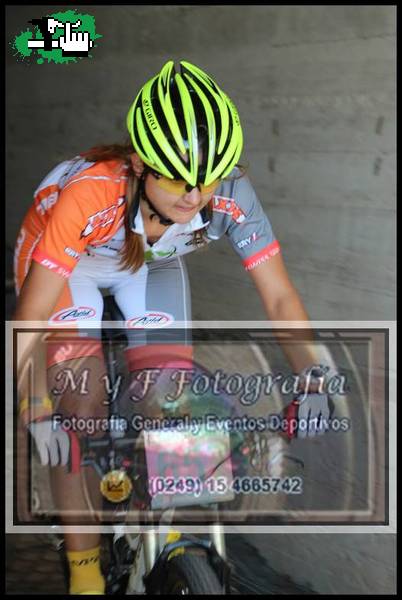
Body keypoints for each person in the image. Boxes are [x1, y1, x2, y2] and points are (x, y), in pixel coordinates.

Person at [14, 60, 334, 595]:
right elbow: (28, 318)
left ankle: (168, 523)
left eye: (208, 179)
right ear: (140, 164)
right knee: (79, 406)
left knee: (171, 396)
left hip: (150, 263)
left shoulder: (229, 193)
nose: (194, 196)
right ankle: (84, 568)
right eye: (178, 180)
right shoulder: (89, 193)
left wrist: (315, 378)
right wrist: (36, 406)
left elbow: (279, 296)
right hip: (72, 266)